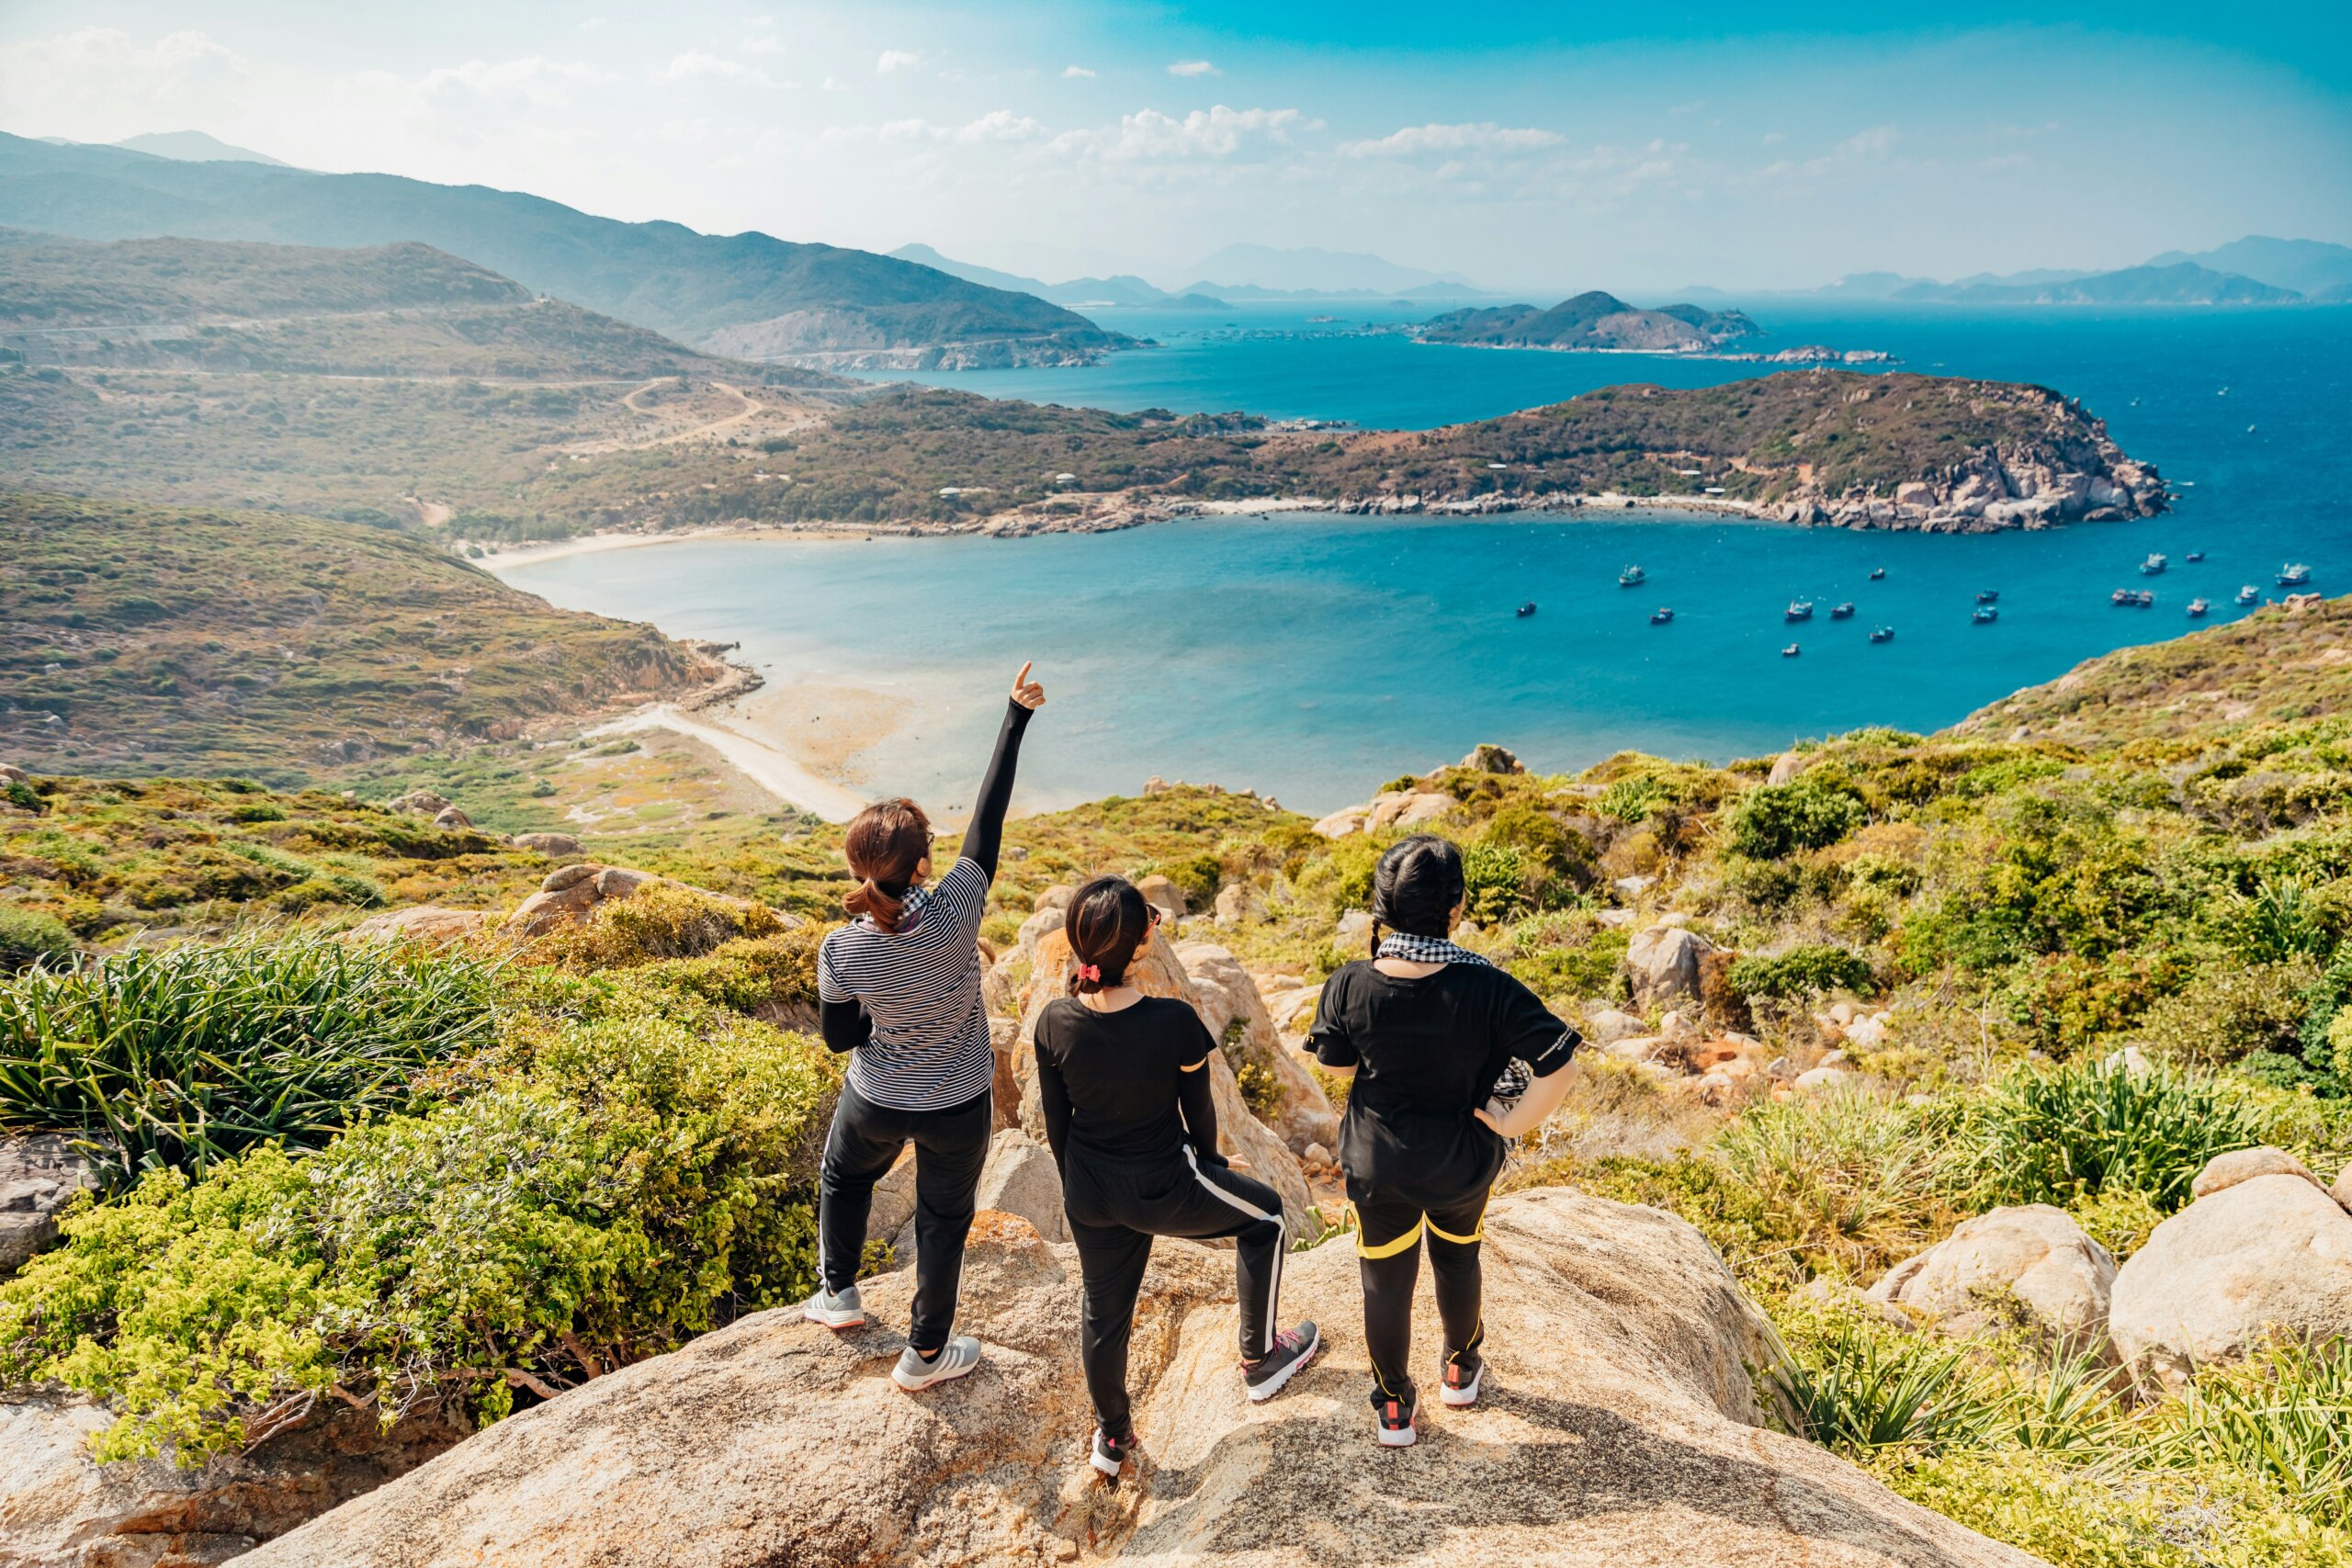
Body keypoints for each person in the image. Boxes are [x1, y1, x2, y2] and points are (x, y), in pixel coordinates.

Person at [801, 662, 1046, 1393]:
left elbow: (840, 1040)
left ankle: (838, 1294)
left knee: (845, 1177)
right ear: (925, 864)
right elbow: (989, 821)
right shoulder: (958, 908)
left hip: (876, 1095)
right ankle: (927, 1353)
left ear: (856, 865)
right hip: (958, 1102)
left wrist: (889, 1033)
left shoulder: (841, 946)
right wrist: (1014, 714)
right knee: (943, 1221)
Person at [1032, 875, 1320, 1476]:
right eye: (1152, 922)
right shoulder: (1172, 1021)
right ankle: (1263, 1357)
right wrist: (1213, 1165)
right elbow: (1200, 1113)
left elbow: (1058, 1124)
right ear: (1141, 946)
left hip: (1089, 1188)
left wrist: (1083, 1186)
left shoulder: (1054, 1021)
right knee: (1265, 1215)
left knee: (1103, 1313)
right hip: (1163, 1184)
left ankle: (1112, 1438)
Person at [1308, 834, 1581, 1447]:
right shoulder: (1490, 987)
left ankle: (1395, 1406)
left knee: (1386, 1279)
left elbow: (1338, 1066)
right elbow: (1560, 1067)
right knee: (1458, 1257)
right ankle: (1460, 1367)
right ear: (1455, 907)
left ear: (1381, 907)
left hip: (1379, 1166)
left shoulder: (1349, 983)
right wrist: (1510, 1123)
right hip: (1463, 1161)